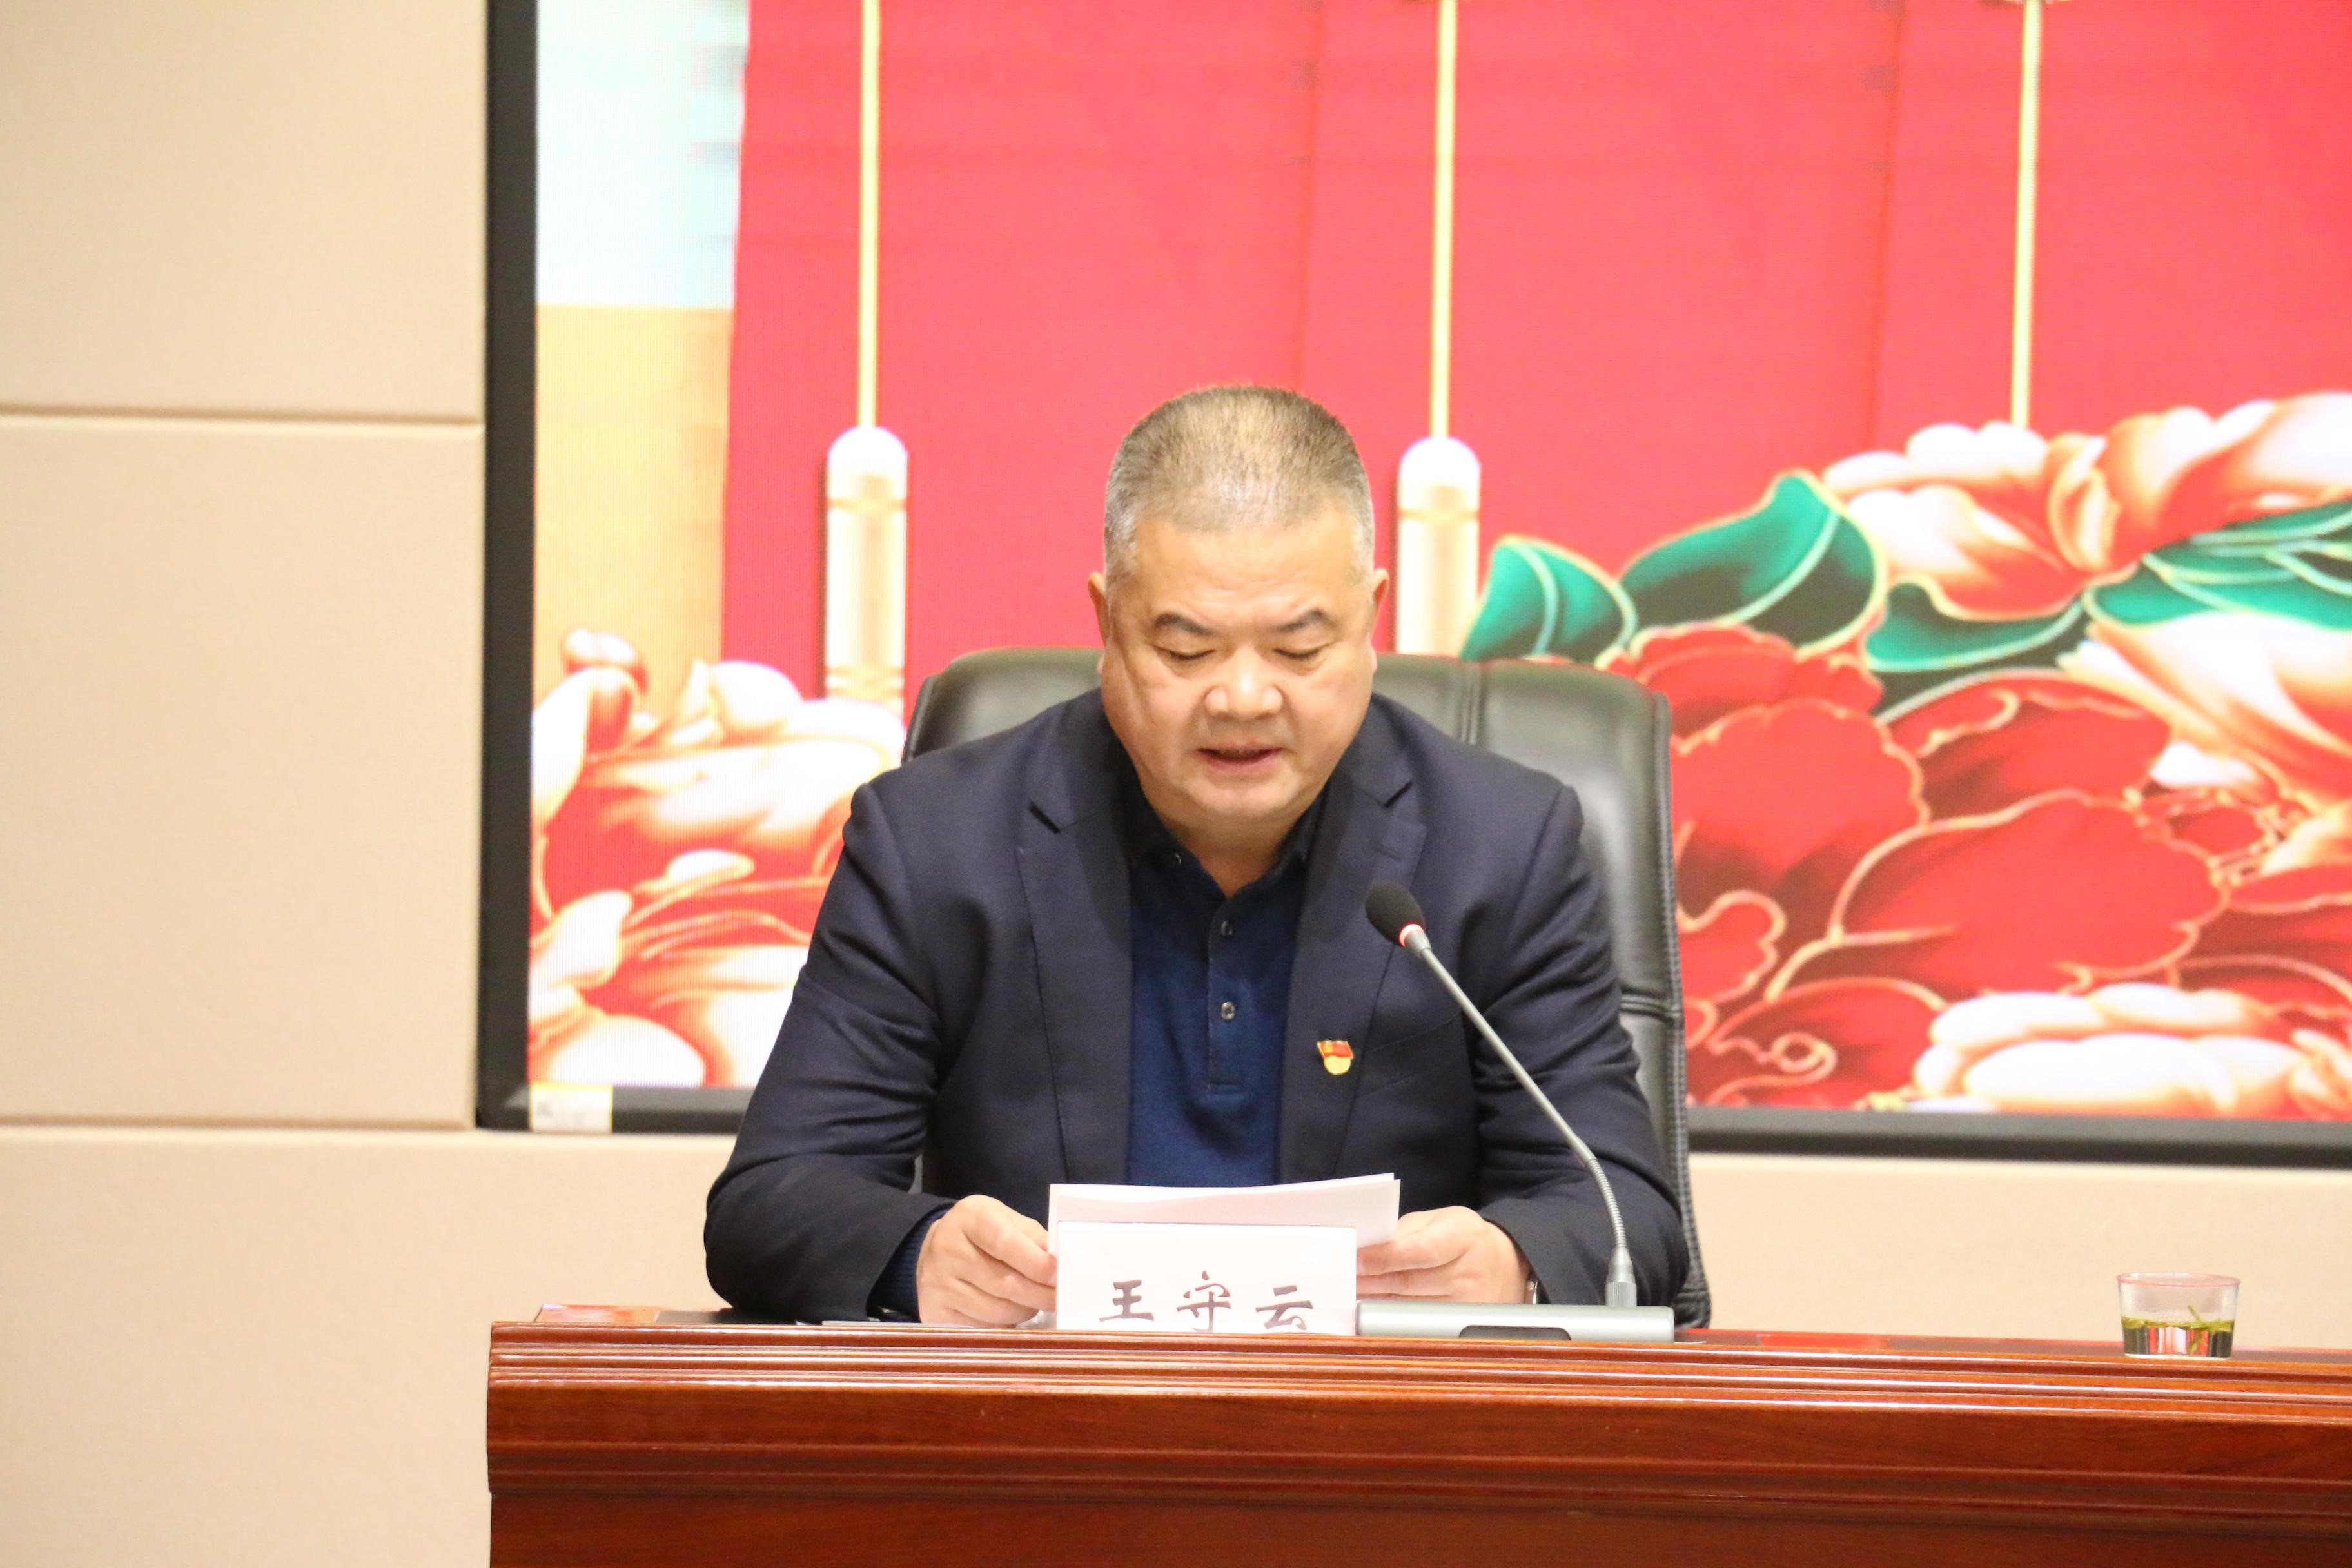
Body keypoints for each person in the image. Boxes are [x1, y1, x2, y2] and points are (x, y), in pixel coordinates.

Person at [706, 386, 1688, 1325]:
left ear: (1370, 618)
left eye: (1298, 649)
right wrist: (919, 1254)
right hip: (1053, 1418)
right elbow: (771, 1200)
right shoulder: (937, 842)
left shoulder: (1501, 846)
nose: (1243, 699)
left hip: (1382, 1425)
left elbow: (1626, 1219)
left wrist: (1512, 1265)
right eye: (1187, 650)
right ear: (1107, 623)